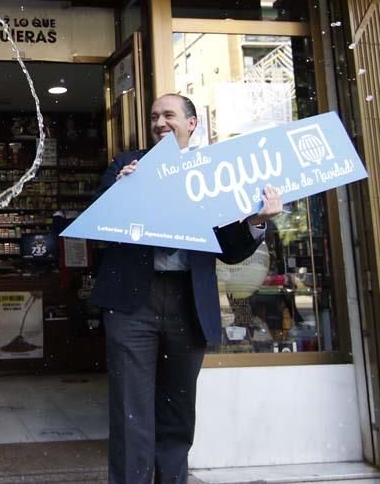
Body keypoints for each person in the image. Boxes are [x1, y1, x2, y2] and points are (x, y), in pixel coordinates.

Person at [91, 93, 283, 484]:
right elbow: (98, 227)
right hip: (132, 304)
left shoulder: (213, 173)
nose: (160, 122)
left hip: (188, 303)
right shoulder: (124, 165)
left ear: (191, 123)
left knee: (178, 411)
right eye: (154, 116)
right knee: (131, 410)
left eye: (169, 115)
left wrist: (257, 221)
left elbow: (229, 249)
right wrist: (120, 193)